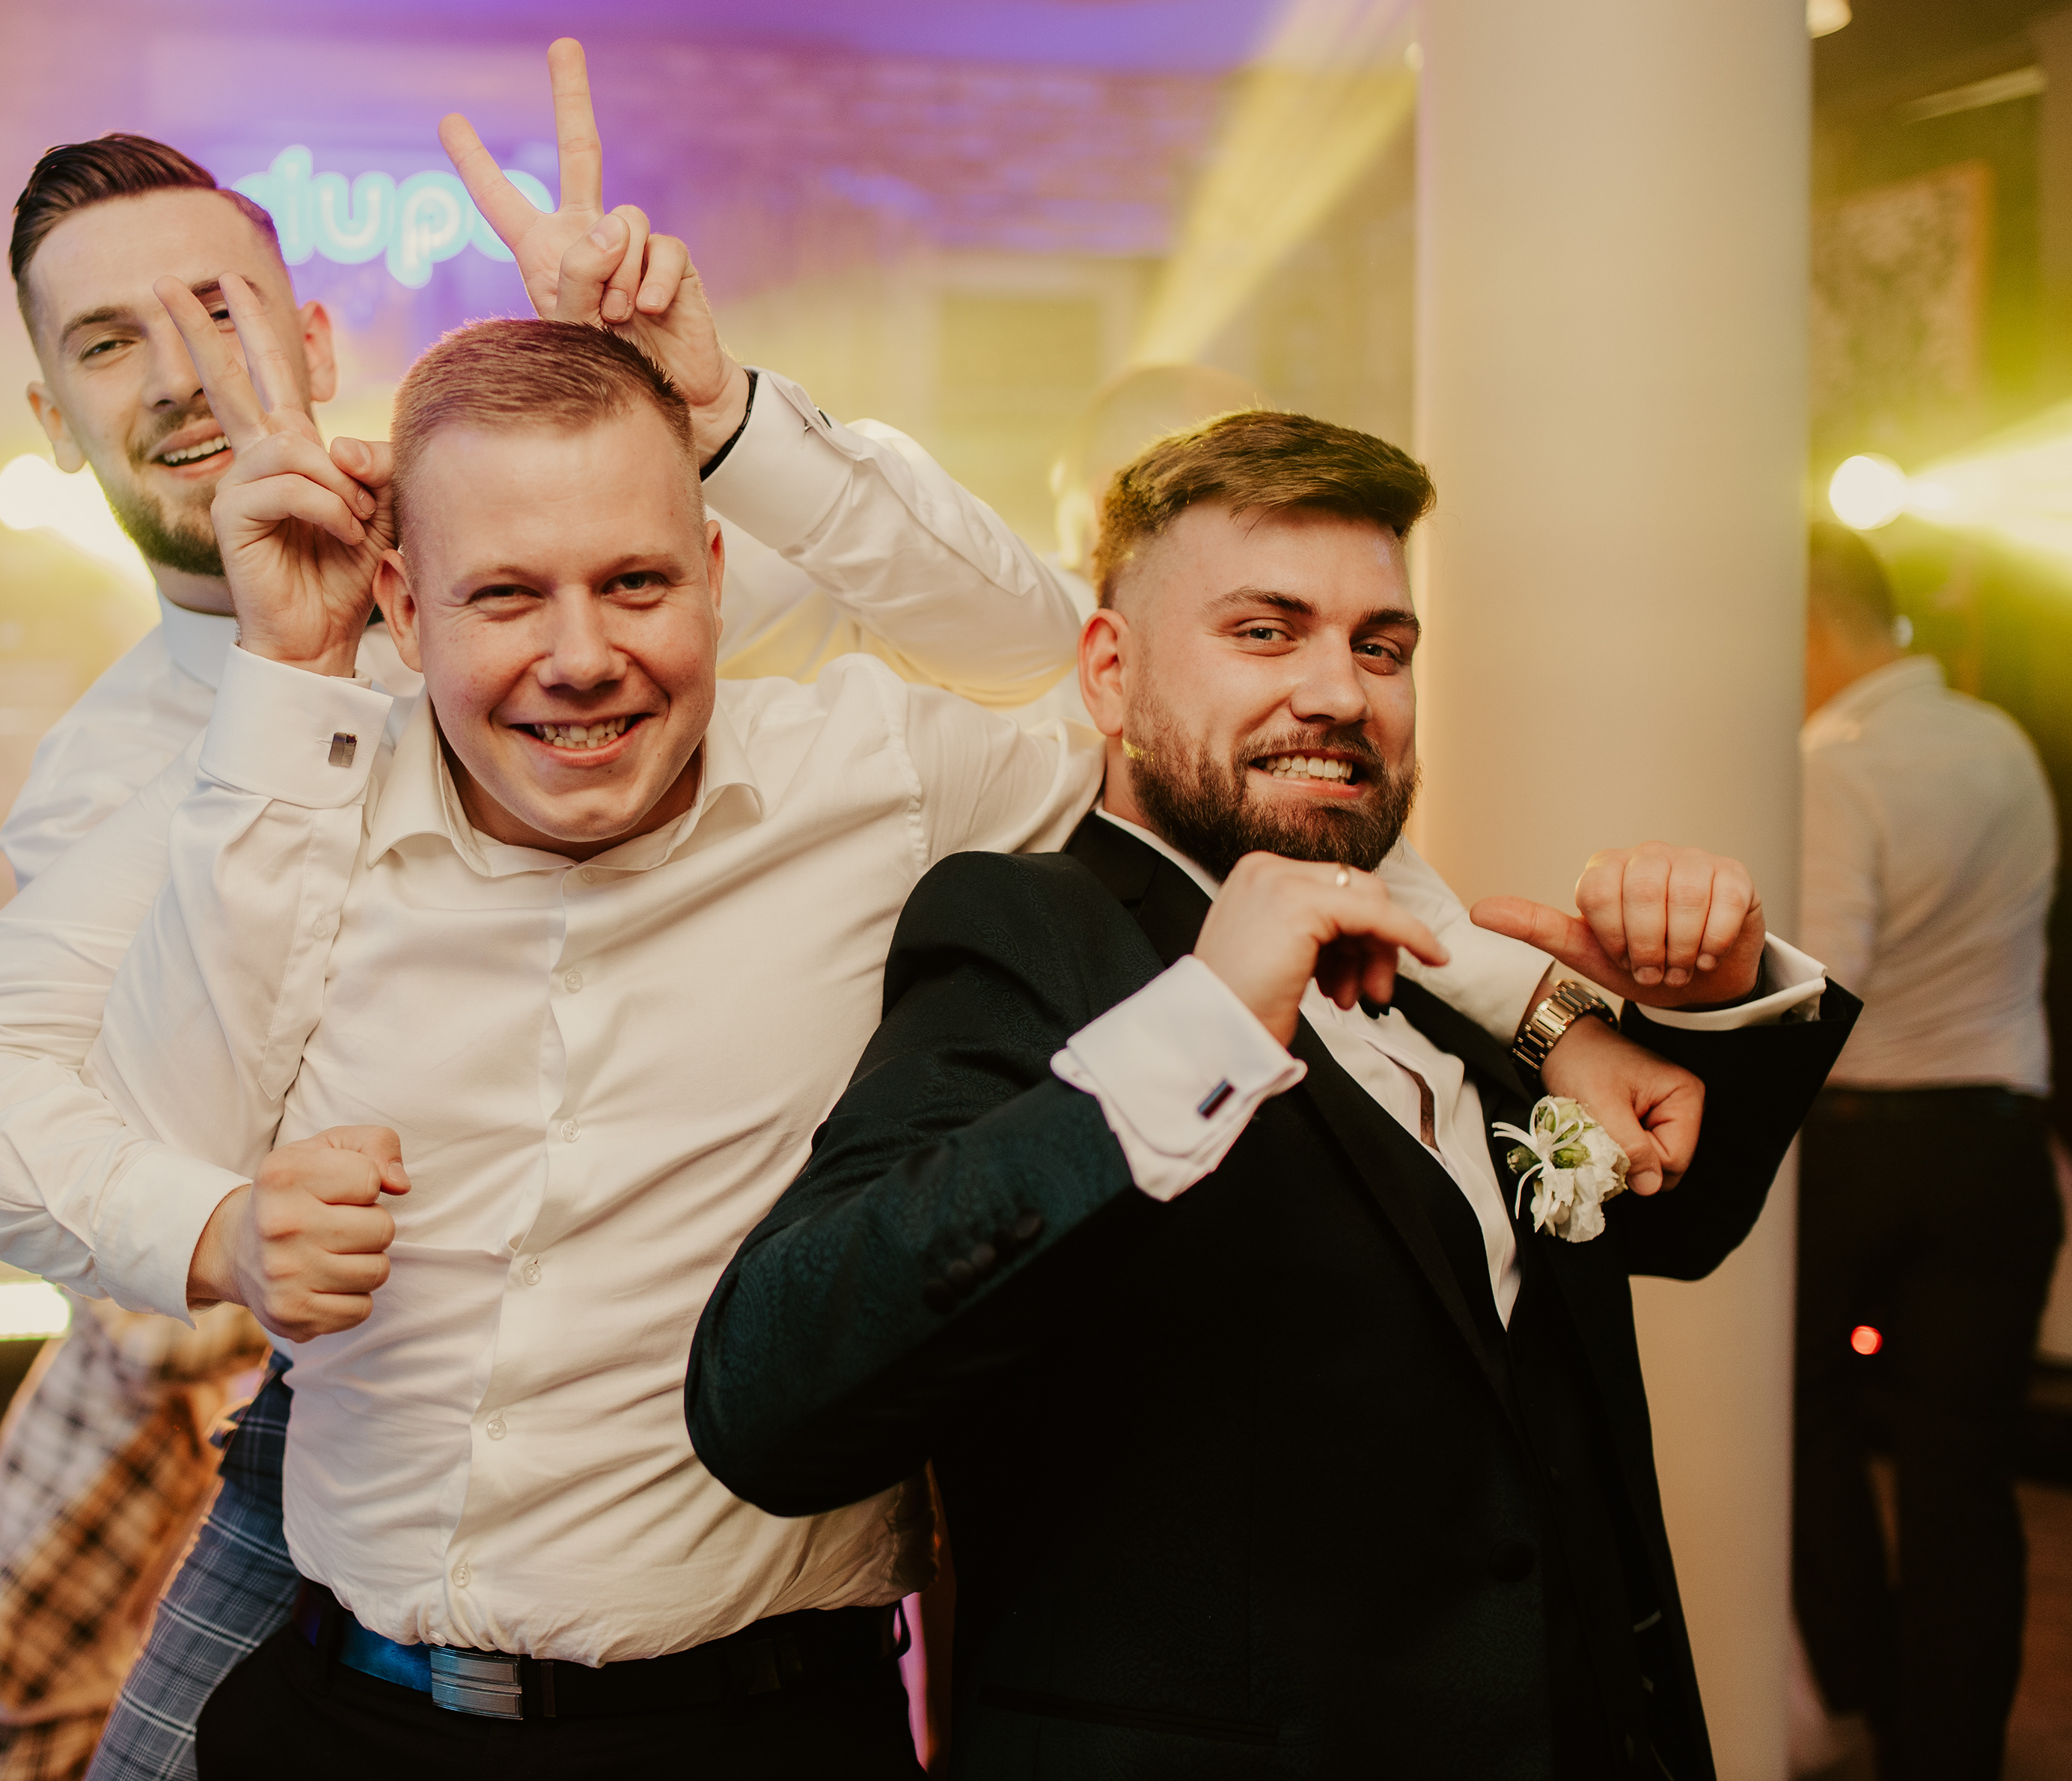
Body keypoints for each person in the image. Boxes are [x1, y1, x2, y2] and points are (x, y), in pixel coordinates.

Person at [0, 308, 1718, 1777]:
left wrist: (1542, 1007)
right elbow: (102, 1115)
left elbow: (1220, 755)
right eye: (507, 593)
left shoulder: (882, 777)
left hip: (763, 1720)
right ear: (404, 590)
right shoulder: (289, 791)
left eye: (637, 581)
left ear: (714, 573)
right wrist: (221, 1220)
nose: (581, 655)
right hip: (358, 1705)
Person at [0, 43, 1101, 1781]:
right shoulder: (115, 773)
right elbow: (76, 1106)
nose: (180, 374)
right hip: (310, 1378)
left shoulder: (564, 549)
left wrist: (707, 413)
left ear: (315, 342)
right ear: (51, 416)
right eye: (106, 342)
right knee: (56, 1718)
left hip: (707, 1538)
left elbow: (1046, 654)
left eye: (218, 311)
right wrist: (218, 1225)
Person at [683, 411, 1863, 1779]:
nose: (1341, 693)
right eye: (1265, 631)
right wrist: (1200, 1025)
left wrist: (1718, 999)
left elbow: (1669, 1222)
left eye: (1382, 647)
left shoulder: (1441, 972)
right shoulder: (1026, 932)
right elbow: (775, 1392)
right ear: (1110, 673)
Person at [1791, 522, 2060, 1781]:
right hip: (2001, 1143)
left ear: (1810, 626)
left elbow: (1824, 984)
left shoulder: (1834, 765)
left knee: (1796, 1417)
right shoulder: (2002, 740)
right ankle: (1951, 1752)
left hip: (1866, 1145)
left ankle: (1864, 1683)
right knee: (1968, 1470)